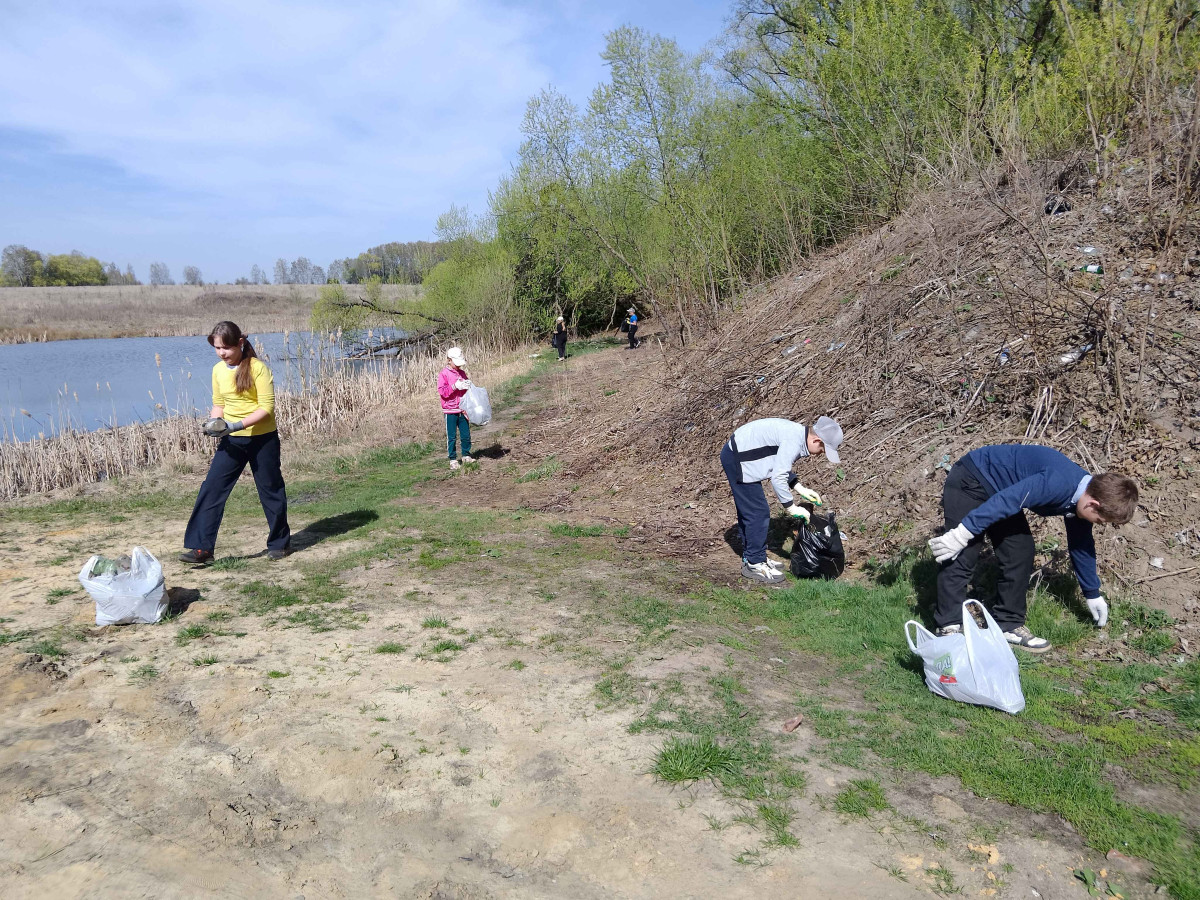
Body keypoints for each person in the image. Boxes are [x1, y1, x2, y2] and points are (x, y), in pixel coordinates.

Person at [927, 444, 1138, 653]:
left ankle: (1008, 625)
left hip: (1002, 491)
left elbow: (1081, 545)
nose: (1100, 524)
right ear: (1092, 504)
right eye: (1101, 520)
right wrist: (962, 533)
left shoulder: (1081, 499)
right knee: (962, 552)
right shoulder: (1057, 483)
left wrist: (1092, 592)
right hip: (972, 478)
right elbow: (1009, 500)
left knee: (1020, 552)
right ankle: (948, 627)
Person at [179, 321, 290, 564]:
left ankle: (279, 544)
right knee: (212, 489)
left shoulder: (258, 369)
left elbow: (267, 409)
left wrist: (236, 425)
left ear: (240, 343)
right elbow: (219, 402)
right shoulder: (218, 370)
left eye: (226, 348)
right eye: (217, 348)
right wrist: (214, 423)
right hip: (232, 441)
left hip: (262, 439)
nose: (222, 353)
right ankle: (202, 549)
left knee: (271, 490)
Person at [720, 416, 844, 584]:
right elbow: (777, 477)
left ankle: (754, 556)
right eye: (823, 449)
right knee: (757, 512)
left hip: (743, 456)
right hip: (738, 458)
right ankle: (754, 563)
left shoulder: (797, 435)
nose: (821, 453)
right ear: (816, 440)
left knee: (752, 510)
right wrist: (791, 507)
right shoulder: (794, 439)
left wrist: (799, 487)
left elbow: (777, 462)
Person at [437, 347, 473, 470]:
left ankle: (466, 455)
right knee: (451, 436)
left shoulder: (462, 373)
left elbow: (466, 388)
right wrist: (454, 386)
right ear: (449, 360)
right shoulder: (444, 374)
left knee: (466, 434)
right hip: (450, 410)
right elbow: (443, 392)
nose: (458, 366)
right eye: (456, 363)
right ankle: (452, 459)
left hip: (462, 408)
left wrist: (467, 385)